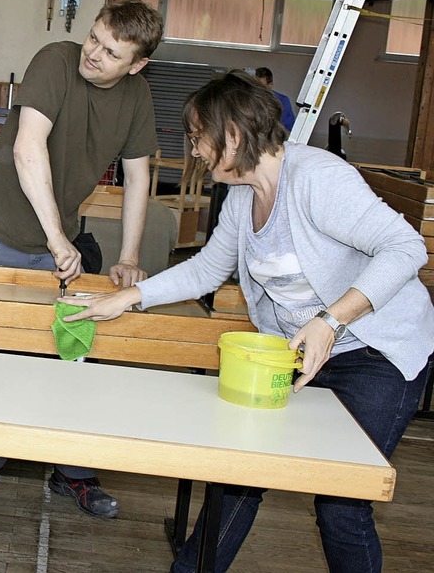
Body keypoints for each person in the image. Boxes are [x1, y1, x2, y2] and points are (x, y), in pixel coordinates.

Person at [58, 70, 434, 571]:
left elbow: (406, 247)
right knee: (238, 472)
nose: (193, 151)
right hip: (301, 351)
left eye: (198, 137)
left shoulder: (317, 177)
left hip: (377, 352)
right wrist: (128, 299)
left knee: (340, 500)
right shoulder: (241, 198)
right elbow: (208, 269)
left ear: (232, 136)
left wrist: (331, 320)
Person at [0, 0, 164, 518]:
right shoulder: (56, 59)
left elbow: (139, 176)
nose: (92, 53)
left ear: (136, 65)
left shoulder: (138, 95)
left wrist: (131, 254)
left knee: (71, 354)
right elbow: (30, 150)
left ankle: (73, 472)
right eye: (93, 37)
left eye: (110, 51)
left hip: (61, 237)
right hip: (1, 229)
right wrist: (57, 240)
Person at [255, 66, 296, 132]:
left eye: (261, 86)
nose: (257, 90)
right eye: (254, 86)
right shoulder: (248, 99)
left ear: (270, 85)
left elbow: (288, 127)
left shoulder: (282, 101)